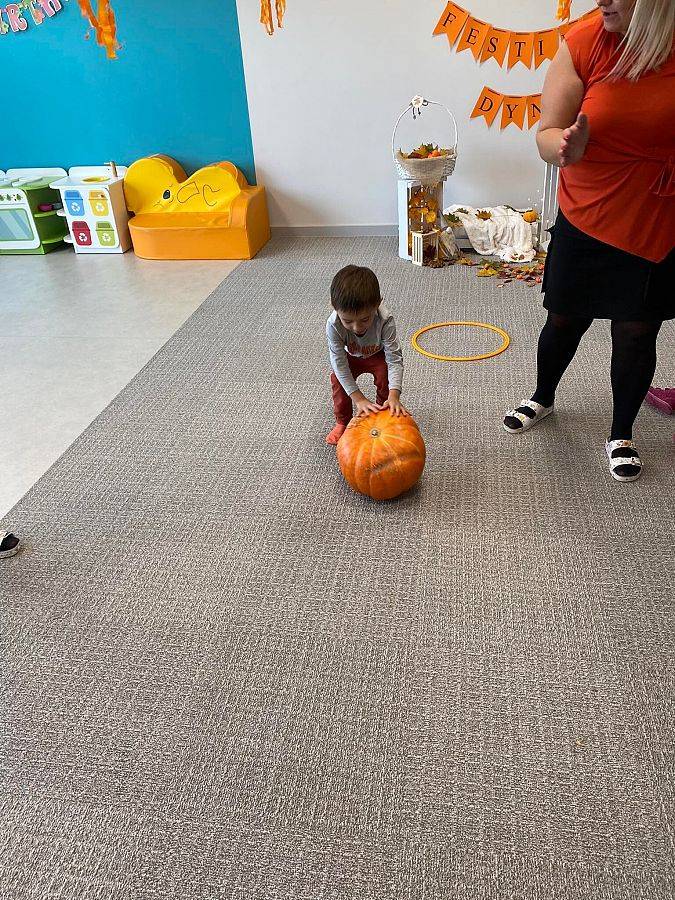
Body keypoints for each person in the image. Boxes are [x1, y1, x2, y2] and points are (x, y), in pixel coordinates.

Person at [503, 0, 675, 482]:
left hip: (653, 219)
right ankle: (542, 396)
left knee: (637, 329)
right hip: (588, 212)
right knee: (565, 316)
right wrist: (563, 147)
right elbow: (546, 133)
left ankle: (622, 434)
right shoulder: (585, 42)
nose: (601, 1)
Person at [325, 265, 407, 445]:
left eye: (364, 319)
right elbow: (339, 363)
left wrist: (394, 395)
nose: (356, 327)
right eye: (348, 321)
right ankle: (342, 422)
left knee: (385, 374)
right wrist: (359, 399)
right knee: (338, 380)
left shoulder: (385, 320)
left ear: (377, 304)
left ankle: (383, 413)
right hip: (350, 356)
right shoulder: (333, 324)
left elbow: (394, 359)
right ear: (334, 307)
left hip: (377, 355)